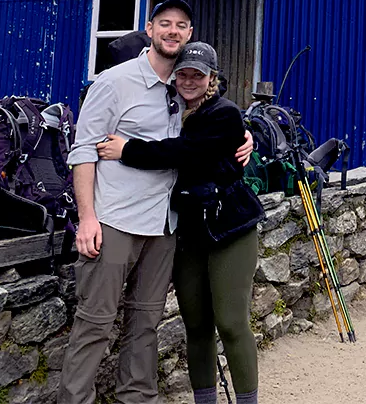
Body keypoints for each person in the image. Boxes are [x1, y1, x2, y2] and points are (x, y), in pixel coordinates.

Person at [60, 0, 252, 404]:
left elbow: (197, 138)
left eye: (181, 25)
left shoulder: (180, 89)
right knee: (95, 323)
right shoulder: (114, 82)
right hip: (114, 222)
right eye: (165, 23)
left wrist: (244, 137)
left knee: (145, 324)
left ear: (189, 35)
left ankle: (138, 398)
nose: (172, 31)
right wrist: (88, 217)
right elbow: (82, 151)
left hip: (164, 227)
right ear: (149, 29)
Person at [97, 42, 264, 404]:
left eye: (198, 75)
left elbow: (182, 153)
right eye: (183, 73)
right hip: (188, 230)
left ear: (211, 78)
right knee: (196, 325)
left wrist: (126, 150)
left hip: (229, 227)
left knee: (232, 323)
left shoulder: (224, 113)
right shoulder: (169, 109)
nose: (189, 80)